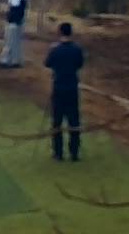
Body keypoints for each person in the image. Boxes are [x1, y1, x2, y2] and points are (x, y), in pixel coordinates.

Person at [44, 22, 85, 161]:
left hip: (59, 87)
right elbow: (80, 64)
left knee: (57, 121)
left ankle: (58, 153)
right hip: (72, 87)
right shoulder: (77, 49)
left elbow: (47, 63)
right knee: (74, 121)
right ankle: (74, 152)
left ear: (60, 32)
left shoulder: (55, 49)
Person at [0, 0, 30, 68]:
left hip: (15, 20)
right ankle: (14, 60)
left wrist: (16, 20)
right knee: (13, 41)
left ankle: (6, 60)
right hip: (12, 19)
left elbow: (20, 10)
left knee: (11, 41)